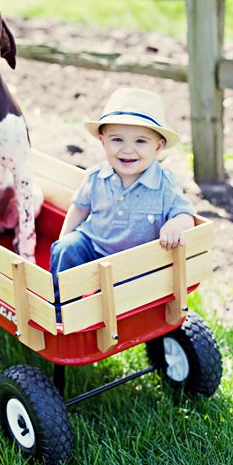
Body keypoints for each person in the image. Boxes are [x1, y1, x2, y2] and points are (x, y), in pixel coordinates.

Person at [50, 87, 195, 308]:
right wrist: (64, 239)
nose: (128, 150)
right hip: (94, 246)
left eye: (140, 141)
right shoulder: (96, 177)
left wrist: (176, 224)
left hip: (136, 263)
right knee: (65, 249)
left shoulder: (165, 184)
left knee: (128, 294)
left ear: (158, 147)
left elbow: (186, 215)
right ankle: (61, 309)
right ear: (103, 141)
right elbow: (80, 207)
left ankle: (109, 310)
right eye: (117, 140)